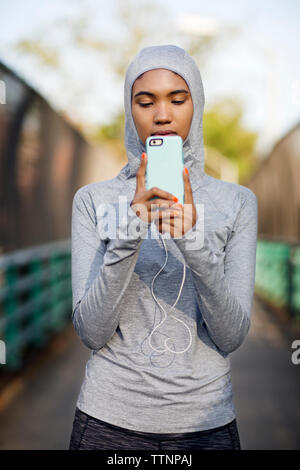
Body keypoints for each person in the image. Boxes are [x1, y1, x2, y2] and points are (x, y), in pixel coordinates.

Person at [68, 44, 258, 450]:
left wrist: (192, 240)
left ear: (197, 105)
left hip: (205, 421)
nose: (162, 115)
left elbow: (230, 336)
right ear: (129, 110)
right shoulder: (93, 200)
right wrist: (132, 230)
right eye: (145, 101)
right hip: (108, 420)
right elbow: (91, 332)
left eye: (178, 98)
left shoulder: (238, 202)